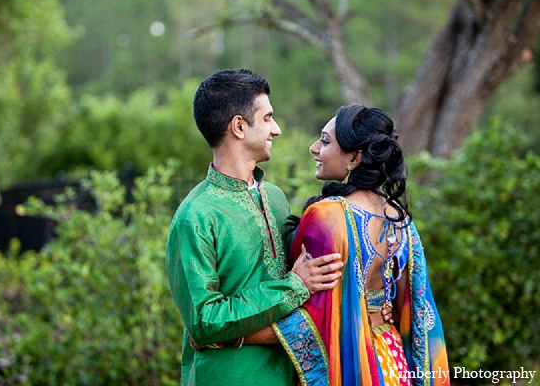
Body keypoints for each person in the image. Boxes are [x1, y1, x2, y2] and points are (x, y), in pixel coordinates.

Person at [165, 69, 343, 386]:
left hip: (292, 373)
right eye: (268, 118)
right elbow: (204, 321)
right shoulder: (196, 215)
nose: (276, 129)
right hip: (231, 377)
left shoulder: (274, 198)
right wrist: (293, 286)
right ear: (239, 127)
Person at [274, 105, 450, 385]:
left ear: (355, 157)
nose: (313, 148)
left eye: (325, 140)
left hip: (350, 363)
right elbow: (411, 306)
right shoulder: (400, 218)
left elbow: (312, 311)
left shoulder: (329, 216)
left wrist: (237, 333)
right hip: (393, 360)